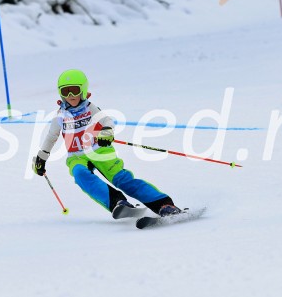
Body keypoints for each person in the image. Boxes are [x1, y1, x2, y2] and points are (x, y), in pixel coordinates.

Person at [32, 69, 182, 218]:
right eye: (66, 92)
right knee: (79, 174)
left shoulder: (90, 108)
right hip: (77, 156)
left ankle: (163, 204)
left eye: (74, 90)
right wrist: (41, 158)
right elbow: (51, 137)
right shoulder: (60, 116)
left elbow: (107, 121)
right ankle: (117, 202)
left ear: (83, 90)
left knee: (121, 179)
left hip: (100, 151)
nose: (70, 95)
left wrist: (106, 132)